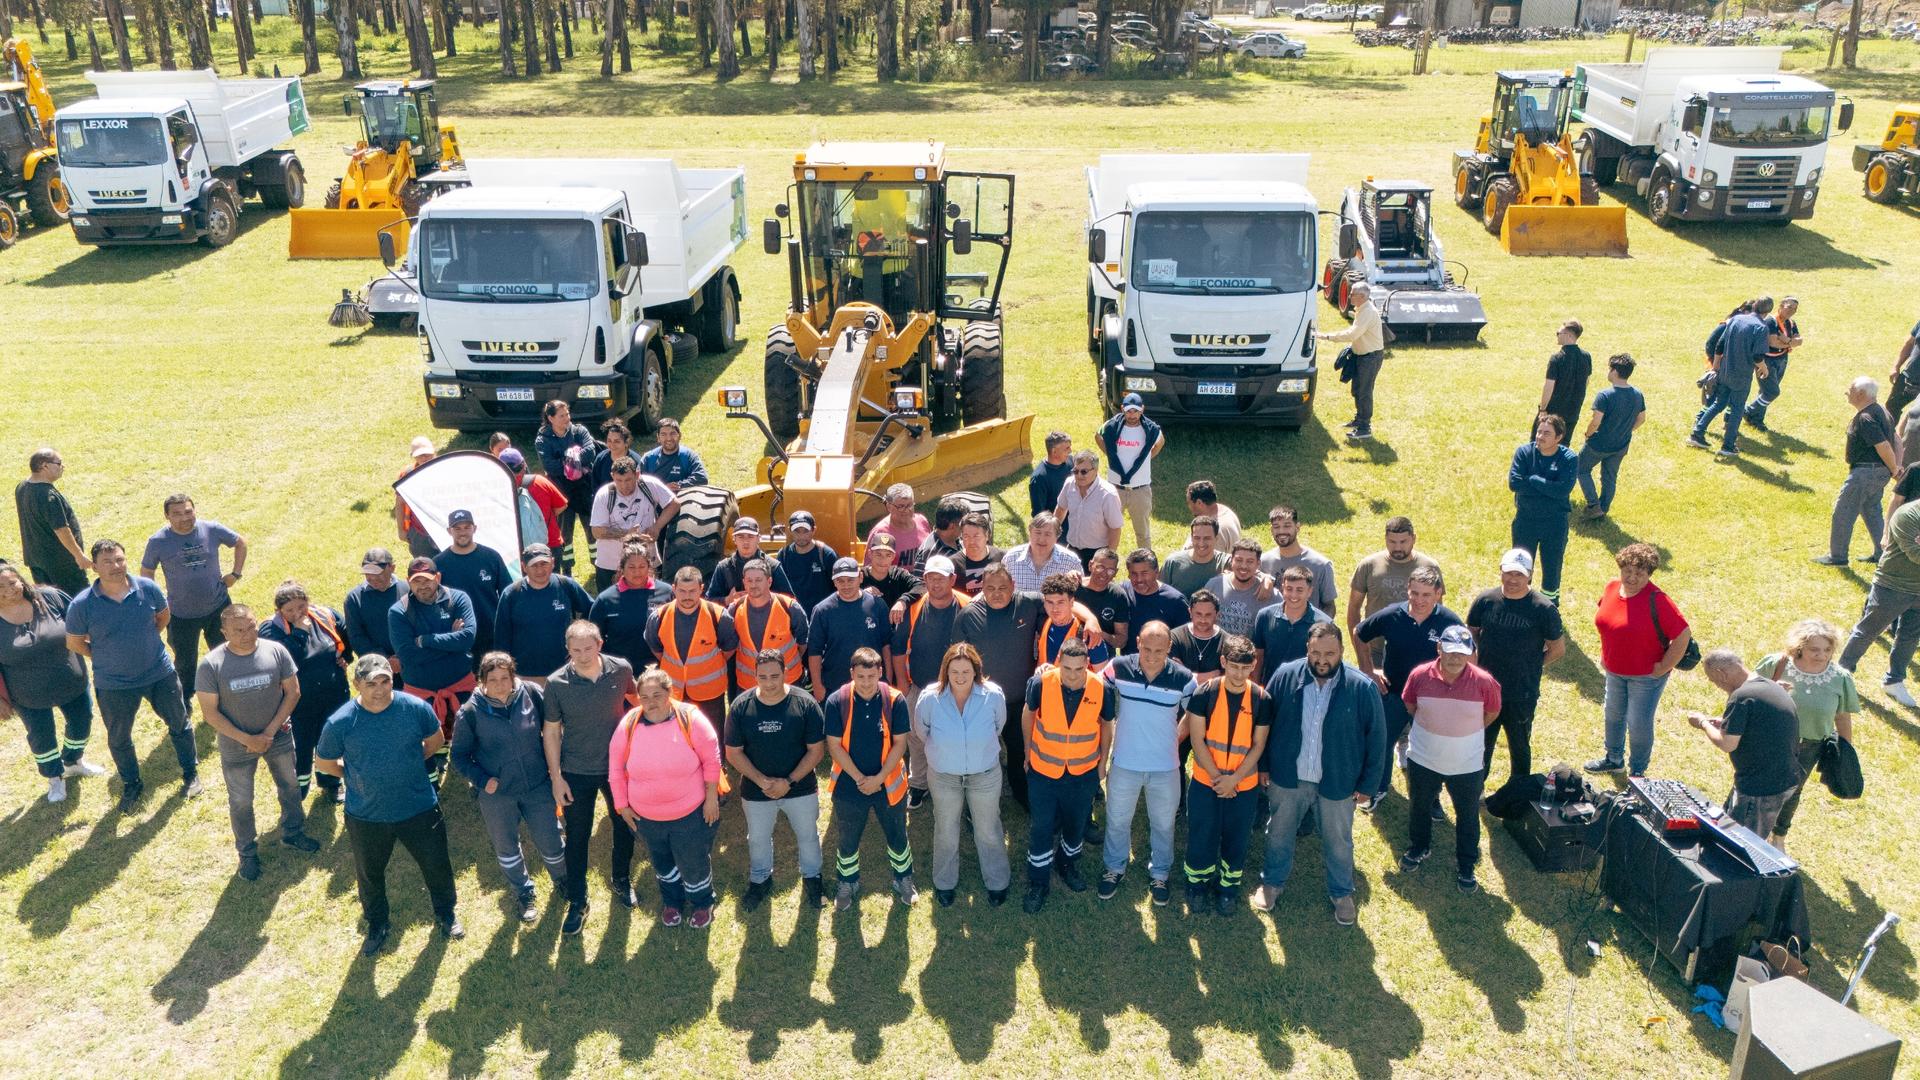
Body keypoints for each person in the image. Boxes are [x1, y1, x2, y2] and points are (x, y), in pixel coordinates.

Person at [315, 655, 461, 956]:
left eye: (385, 681)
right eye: (371, 684)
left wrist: (410, 762)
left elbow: (435, 740)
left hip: (419, 806)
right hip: (367, 815)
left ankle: (446, 913)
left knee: (436, 865)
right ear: (357, 684)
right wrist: (354, 775)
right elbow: (326, 763)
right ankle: (377, 924)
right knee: (369, 874)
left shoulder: (415, 708)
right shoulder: (340, 722)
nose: (380, 689)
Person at [1256, 623, 1386, 926]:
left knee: (1339, 841)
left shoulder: (1361, 687)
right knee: (1278, 832)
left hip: (1337, 780)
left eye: (1329, 653)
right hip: (1289, 777)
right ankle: (1272, 883)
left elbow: (1376, 740)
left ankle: (1342, 893)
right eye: (1315, 652)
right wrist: (1263, 766)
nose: (1322, 659)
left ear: (1341, 650)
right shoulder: (1285, 676)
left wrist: (1368, 785)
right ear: (1307, 649)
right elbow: (1264, 725)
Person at [65, 539, 199, 811]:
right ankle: (132, 783)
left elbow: (163, 617)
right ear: (95, 567)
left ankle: (190, 773)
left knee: (180, 723)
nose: (115, 566)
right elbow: (74, 643)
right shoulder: (82, 605)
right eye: (107, 562)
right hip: (114, 684)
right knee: (119, 738)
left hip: (158, 673)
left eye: (119, 560)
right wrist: (102, 654)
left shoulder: (147, 588)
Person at [196, 605, 318, 879]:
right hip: (236, 746)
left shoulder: (275, 651)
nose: (246, 634)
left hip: (278, 738)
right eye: (238, 630)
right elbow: (210, 713)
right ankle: (247, 854)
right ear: (224, 631)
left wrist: (269, 733)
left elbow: (293, 693)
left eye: (251, 626)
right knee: (241, 801)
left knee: (289, 787)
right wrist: (247, 739)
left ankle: (293, 833)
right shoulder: (211, 665)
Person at [452, 653, 565, 923]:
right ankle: (523, 892)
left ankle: (563, 880)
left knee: (551, 838)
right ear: (482, 681)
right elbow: (458, 756)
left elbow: (551, 729)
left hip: (537, 786)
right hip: (497, 794)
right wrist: (482, 780)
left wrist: (555, 769)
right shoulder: (470, 712)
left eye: (506, 677)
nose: (501, 685)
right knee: (506, 846)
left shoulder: (532, 693)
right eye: (493, 680)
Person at [541, 621, 638, 934]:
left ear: (600, 644)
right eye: (575, 649)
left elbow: (639, 703)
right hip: (576, 771)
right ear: (567, 649)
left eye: (588, 647)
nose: (582, 655)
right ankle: (578, 900)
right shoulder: (556, 683)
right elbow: (552, 731)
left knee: (625, 825)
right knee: (577, 836)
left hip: (617, 769)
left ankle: (621, 880)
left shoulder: (621, 670)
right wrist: (556, 777)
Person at [610, 666, 723, 929]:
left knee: (693, 861)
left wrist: (710, 798)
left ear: (669, 694)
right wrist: (621, 805)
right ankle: (672, 901)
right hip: (646, 817)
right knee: (661, 862)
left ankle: (702, 902)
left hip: (690, 813)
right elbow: (615, 769)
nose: (651, 703)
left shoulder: (690, 719)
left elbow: (712, 760)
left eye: (657, 695)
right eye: (645, 697)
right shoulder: (628, 725)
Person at [1398, 625, 1502, 893]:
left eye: (1462, 653)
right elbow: (1410, 705)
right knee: (1419, 807)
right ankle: (1419, 847)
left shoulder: (1484, 682)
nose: (1455, 658)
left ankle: (1466, 865)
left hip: (1466, 766)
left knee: (1467, 816)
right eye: (1450, 651)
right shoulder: (1419, 676)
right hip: (1423, 760)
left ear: (1470, 654)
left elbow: (1491, 712)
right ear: (1438, 649)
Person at [1099, 622, 1194, 907]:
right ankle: (1114, 868)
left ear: (1169, 649)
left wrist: (1177, 736)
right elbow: (1089, 681)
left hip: (1165, 767)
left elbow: (1197, 713)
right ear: (1138, 642)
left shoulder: (1184, 678)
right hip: (1125, 763)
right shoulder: (1119, 667)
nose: (1152, 656)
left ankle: (1161, 873)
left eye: (1159, 650)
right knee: (1117, 820)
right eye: (1146, 648)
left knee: (1163, 824)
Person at [726, 649, 828, 911]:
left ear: (786, 673)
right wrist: (762, 781)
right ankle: (760, 880)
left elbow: (816, 750)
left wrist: (789, 782)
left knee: (808, 836)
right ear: (754, 675)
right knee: (757, 838)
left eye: (775, 676)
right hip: (756, 790)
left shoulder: (805, 704)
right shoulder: (740, 706)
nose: (769, 683)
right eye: (763, 677)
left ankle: (812, 878)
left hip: (800, 788)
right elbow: (733, 753)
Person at [1354, 565, 1463, 808]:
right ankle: (1377, 789)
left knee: (1430, 750)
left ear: (1438, 593)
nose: (1419, 600)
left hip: (1431, 699)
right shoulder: (1393, 614)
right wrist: (1368, 670)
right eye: (1414, 593)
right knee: (1381, 742)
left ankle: (1431, 798)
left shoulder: (1449, 622)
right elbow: (1359, 633)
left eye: (1426, 595)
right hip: (1394, 693)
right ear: (1407, 590)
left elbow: (1468, 656)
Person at [1021, 639, 1114, 912]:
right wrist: (1027, 751)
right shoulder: (1040, 683)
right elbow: (1028, 715)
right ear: (1059, 661)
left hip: (1083, 772)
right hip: (1044, 770)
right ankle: (1038, 882)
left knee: (1075, 826)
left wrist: (1102, 761)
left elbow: (1107, 725)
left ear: (1087, 665)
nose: (1073, 676)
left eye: (1079, 669)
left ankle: (1067, 864)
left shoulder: (1101, 687)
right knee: (1041, 827)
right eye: (1068, 668)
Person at [1181, 635, 1271, 917]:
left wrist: (1233, 780)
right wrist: (1219, 778)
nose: (1239, 674)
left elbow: (1258, 746)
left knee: (1236, 838)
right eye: (1233, 666)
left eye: (1245, 668)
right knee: (1201, 834)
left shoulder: (1261, 699)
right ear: (1223, 662)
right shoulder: (1204, 693)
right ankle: (1196, 884)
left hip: (1243, 785)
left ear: (1253, 665)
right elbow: (1197, 740)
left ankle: (1228, 888)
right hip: (1207, 782)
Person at [916, 642, 1011, 907]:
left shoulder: (993, 696)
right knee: (945, 829)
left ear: (976, 671)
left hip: (984, 776)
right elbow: (922, 731)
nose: (959, 677)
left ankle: (997, 882)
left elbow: (997, 726)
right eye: (954, 671)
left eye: (965, 672)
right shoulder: (929, 698)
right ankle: (944, 883)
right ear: (945, 671)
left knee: (989, 829)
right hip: (944, 776)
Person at [1586, 543, 1691, 778]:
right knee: (1612, 714)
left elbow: (1683, 634)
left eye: (1639, 573)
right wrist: (1606, 656)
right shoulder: (1612, 588)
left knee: (1638, 723)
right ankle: (1613, 758)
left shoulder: (1659, 600)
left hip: (1646, 677)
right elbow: (1607, 622)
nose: (1631, 578)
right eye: (1627, 571)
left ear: (1649, 575)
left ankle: (1637, 771)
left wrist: (1665, 666)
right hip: (1615, 670)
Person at [1465, 549, 1565, 795]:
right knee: (1482, 744)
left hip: (1522, 693)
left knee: (1519, 746)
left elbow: (1558, 649)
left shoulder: (1543, 608)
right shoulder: (1486, 600)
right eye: (1508, 572)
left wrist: (1533, 664)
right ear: (1500, 570)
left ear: (1529, 576)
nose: (1512, 579)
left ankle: (1517, 795)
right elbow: (1472, 631)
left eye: (1519, 574)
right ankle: (1476, 791)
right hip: (1486, 691)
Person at [0, 564, 102, 802]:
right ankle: (54, 778)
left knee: (82, 720)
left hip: (71, 682)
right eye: (0, 587)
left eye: (12, 583)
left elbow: (80, 620)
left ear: (22, 581)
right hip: (28, 695)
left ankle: (73, 760)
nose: (8, 590)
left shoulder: (48, 597)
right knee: (41, 736)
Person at [824, 648, 915, 910]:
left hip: (888, 784)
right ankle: (847, 881)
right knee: (847, 838)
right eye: (861, 676)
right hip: (849, 785)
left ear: (881, 674)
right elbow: (834, 745)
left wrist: (879, 779)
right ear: (851, 673)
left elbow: (900, 744)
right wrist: (860, 778)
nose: (866, 683)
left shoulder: (895, 700)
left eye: (871, 677)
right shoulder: (836, 701)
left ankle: (903, 878)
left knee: (897, 834)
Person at [140, 493, 246, 718]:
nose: (184, 517)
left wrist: (235, 574)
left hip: (218, 608)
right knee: (185, 663)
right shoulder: (158, 541)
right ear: (167, 516)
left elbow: (239, 542)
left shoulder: (211, 529)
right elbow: (147, 571)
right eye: (177, 514)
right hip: (181, 615)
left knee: (225, 654)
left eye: (188, 511)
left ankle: (228, 698)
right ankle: (184, 702)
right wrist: (155, 602)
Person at [1753, 620, 1855, 851]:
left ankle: (1778, 836)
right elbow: (1746, 695)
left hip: (1811, 745)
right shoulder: (1776, 664)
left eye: (1827, 650)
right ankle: (1746, 828)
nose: (1821, 655)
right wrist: (1771, 690)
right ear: (1799, 647)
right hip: (1771, 738)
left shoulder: (1840, 678)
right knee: (1756, 781)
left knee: (1792, 791)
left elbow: (1842, 717)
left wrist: (1846, 750)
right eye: (1814, 649)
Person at [955, 564, 1047, 809]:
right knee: (982, 754)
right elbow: (957, 660)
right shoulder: (968, 615)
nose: (997, 593)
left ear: (1014, 587)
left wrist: (1090, 619)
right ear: (981, 588)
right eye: (990, 588)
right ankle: (978, 804)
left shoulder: (1029, 604)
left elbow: (1065, 602)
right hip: (982, 702)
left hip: (1019, 701)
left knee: (1019, 751)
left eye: (1003, 588)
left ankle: (1022, 795)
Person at [1687, 649, 1803, 839]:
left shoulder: (1741, 698)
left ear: (1721, 674)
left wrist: (1703, 723)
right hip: (1782, 777)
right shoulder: (1769, 685)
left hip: (1761, 788)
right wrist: (1726, 723)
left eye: (1713, 680)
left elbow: (1727, 744)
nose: (1715, 685)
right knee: (1727, 828)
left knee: (1743, 844)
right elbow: (1759, 723)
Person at [259, 581, 354, 804]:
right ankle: (298, 791)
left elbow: (347, 636)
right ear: (278, 610)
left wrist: (345, 658)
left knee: (330, 740)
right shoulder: (270, 629)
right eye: (289, 610)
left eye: (301, 606)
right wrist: (300, 633)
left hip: (334, 694)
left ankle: (331, 783)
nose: (297, 613)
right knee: (302, 746)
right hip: (298, 703)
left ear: (308, 603)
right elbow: (284, 661)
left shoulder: (325, 615)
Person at [388, 557, 477, 787]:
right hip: (421, 691)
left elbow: (467, 638)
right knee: (422, 739)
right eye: (416, 581)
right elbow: (408, 656)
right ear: (409, 582)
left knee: (473, 733)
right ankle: (430, 783)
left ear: (437, 578)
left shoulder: (458, 599)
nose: (422, 586)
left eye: (427, 580)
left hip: (461, 686)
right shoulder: (399, 612)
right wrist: (452, 644)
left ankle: (476, 778)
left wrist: (425, 640)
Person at [892, 555, 970, 809]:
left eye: (941, 578)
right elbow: (899, 649)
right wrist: (903, 684)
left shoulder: (968, 607)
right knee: (916, 737)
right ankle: (919, 784)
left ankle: (960, 782)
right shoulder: (913, 608)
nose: (935, 584)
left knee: (957, 737)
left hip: (959, 687)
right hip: (919, 685)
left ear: (952, 579)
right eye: (930, 578)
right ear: (924, 580)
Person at [1839, 499, 1920, 706]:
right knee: (1868, 631)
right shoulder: (1908, 515)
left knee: (1910, 637)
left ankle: (1894, 681)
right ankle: (1842, 674)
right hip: (1892, 586)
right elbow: (1915, 553)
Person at [1816, 377, 1898, 566]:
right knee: (1871, 510)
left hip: (1865, 472)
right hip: (1878, 472)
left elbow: (1884, 445)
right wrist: (1894, 467)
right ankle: (1883, 554)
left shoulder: (1865, 418)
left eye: (1851, 389)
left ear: (1861, 393)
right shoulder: (1882, 412)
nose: (1847, 391)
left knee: (1843, 511)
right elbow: (1897, 440)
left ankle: (1837, 556)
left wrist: (1895, 468)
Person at [646, 566, 739, 729]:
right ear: (673, 589)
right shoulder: (658, 617)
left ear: (701, 589)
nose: (687, 596)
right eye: (682, 591)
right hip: (673, 693)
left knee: (712, 736)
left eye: (692, 591)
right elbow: (656, 648)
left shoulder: (718, 616)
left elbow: (729, 648)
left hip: (710, 694)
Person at [494, 544, 594, 683]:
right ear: (524, 567)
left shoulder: (566, 585)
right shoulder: (511, 594)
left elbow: (593, 613)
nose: (540, 570)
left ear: (553, 562)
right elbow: (501, 638)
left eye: (544, 563)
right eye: (534, 565)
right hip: (525, 676)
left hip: (565, 673)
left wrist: (580, 645)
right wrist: (507, 673)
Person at [1347, 516, 1440, 663]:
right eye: (1392, 541)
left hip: (1417, 649)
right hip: (1375, 650)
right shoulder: (1368, 565)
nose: (1397, 547)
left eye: (1403, 542)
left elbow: (1437, 610)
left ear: (1414, 538)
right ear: (1385, 539)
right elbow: (1353, 608)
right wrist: (1360, 650)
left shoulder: (1429, 567)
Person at [1509, 413, 1579, 605]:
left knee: (1552, 568)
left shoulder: (1568, 458)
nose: (1540, 436)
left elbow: (1562, 490)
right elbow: (1515, 483)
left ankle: (1549, 608)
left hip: (1554, 523)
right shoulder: (1524, 453)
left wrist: (1532, 479)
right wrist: (1549, 487)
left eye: (1546, 433)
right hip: (1526, 520)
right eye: (1539, 432)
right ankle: (1520, 604)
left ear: (1559, 437)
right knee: (1521, 566)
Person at [1690, 296, 1773, 457]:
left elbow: (1720, 345)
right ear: (1767, 312)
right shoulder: (1761, 327)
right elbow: (1757, 356)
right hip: (1741, 375)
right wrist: (1764, 369)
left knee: (1718, 403)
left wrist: (1715, 367)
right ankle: (1728, 446)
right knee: (1737, 409)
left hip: (1725, 371)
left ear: (1754, 306)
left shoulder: (1736, 319)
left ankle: (1697, 433)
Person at [589, 458, 678, 592]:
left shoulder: (649, 485)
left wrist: (657, 527)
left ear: (637, 475)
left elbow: (674, 503)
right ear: (612, 476)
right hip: (611, 565)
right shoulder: (605, 495)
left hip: (647, 563)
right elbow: (596, 531)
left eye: (628, 480)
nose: (624, 486)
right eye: (619, 480)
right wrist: (626, 534)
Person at [807, 558, 890, 700]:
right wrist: (818, 686)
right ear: (834, 582)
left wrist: (888, 679)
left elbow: (886, 645)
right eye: (840, 581)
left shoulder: (877, 605)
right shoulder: (822, 610)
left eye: (850, 580)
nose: (846, 585)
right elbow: (814, 652)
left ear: (860, 578)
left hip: (872, 686)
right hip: (835, 687)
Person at [434, 509, 511, 663]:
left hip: (491, 632)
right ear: (449, 531)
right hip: (458, 635)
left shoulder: (491, 557)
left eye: (467, 527)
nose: (463, 532)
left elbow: (507, 594)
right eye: (457, 528)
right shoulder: (439, 563)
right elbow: (433, 602)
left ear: (474, 528)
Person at [1578, 354, 1647, 520]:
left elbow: (1596, 421)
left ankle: (1594, 505)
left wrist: (1588, 434)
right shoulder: (1637, 394)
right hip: (1621, 445)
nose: (1608, 372)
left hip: (1599, 444)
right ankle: (1604, 508)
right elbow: (1642, 418)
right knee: (1610, 477)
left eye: (1610, 369)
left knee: (1580, 468)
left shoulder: (1605, 395)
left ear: (1615, 371)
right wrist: (1626, 430)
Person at [727, 560, 810, 700]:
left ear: (769, 581)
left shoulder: (789, 607)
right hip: (749, 686)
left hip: (787, 683)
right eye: (749, 580)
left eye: (758, 580)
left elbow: (803, 642)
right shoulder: (734, 609)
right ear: (744, 582)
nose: (753, 585)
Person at [535, 400, 598, 577]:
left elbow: (590, 451)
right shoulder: (543, 440)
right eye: (562, 416)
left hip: (584, 488)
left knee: (592, 529)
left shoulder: (579, 431)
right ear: (551, 418)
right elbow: (550, 465)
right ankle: (567, 568)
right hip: (560, 491)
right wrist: (573, 459)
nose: (567, 418)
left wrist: (567, 461)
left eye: (567, 414)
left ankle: (598, 564)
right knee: (565, 533)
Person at [15, 448, 90, 596]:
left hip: (36, 559)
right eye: (59, 463)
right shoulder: (49, 496)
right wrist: (79, 556)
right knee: (78, 600)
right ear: (44, 466)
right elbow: (62, 530)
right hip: (61, 564)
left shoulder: (22, 487)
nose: (63, 467)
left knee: (51, 602)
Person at [1319, 280, 1386, 442]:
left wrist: (1326, 336)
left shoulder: (1367, 312)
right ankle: (1359, 419)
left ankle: (1364, 428)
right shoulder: (1362, 308)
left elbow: (1352, 334)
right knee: (1357, 389)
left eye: (1352, 294)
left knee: (1364, 392)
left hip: (1370, 358)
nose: (1349, 296)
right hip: (1362, 356)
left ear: (1362, 296)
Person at [1097, 393, 1164, 551]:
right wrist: (1111, 455)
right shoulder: (1111, 425)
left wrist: (1146, 458)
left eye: (1135, 411)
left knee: (1143, 533)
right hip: (1115, 488)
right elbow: (1098, 436)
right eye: (1128, 411)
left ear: (1142, 409)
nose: (1132, 415)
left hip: (1140, 490)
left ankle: (1147, 565)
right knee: (1108, 530)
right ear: (1122, 409)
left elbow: (1160, 442)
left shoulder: (1151, 429)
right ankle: (1106, 562)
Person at [589, 541, 671, 672]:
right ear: (622, 569)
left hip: (661, 670)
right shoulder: (605, 600)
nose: (637, 572)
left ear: (649, 567)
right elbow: (593, 638)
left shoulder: (667, 593)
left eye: (642, 566)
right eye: (631, 567)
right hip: (620, 672)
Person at [1252, 565, 1331, 681]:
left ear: (1310, 591)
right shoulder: (1265, 616)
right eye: (1289, 589)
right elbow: (1258, 656)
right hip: (1270, 689)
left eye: (1299, 590)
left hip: (1306, 692)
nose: (1293, 595)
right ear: (1282, 588)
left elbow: (1327, 664)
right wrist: (1255, 689)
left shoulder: (1324, 624)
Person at [1260, 505, 1339, 615]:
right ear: (1271, 530)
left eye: (1287, 526)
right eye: (1276, 527)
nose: (1281, 531)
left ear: (1297, 527)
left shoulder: (1321, 565)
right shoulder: (1263, 562)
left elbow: (1329, 606)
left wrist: (1318, 629)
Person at [343, 549, 404, 687]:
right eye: (368, 576)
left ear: (392, 568)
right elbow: (357, 637)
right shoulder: (354, 599)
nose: (373, 580)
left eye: (378, 575)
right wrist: (385, 660)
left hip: (410, 664)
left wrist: (403, 657)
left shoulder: (407, 590)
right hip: (377, 671)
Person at [1744, 297, 1803, 432]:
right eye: (1789, 307)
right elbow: (1772, 342)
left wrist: (1786, 340)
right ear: (1781, 306)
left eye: (1795, 309)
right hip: (1767, 361)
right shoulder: (1771, 321)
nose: (1792, 311)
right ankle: (1748, 411)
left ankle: (1756, 419)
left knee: (1765, 391)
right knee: (1772, 392)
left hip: (1782, 359)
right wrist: (1790, 342)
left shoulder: (1791, 323)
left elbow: (1799, 341)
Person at [1057, 449, 1124, 567]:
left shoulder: (1108, 494)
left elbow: (1115, 529)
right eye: (1075, 471)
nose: (1078, 475)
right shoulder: (1069, 484)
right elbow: (1061, 509)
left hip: (1096, 554)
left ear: (1096, 471)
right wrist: (1051, 535)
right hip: (1072, 549)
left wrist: (1109, 560)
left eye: (1084, 472)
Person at [502, 449, 569, 561]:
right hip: (550, 543)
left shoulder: (498, 492)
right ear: (523, 465)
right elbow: (562, 505)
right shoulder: (540, 482)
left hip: (516, 550)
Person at [706, 518, 796, 602]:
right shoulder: (723, 567)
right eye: (741, 537)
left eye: (750, 536)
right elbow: (709, 601)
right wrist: (727, 600)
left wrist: (766, 598)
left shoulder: (773, 566)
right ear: (734, 539)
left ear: (758, 539)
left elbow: (790, 601)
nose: (746, 541)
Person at [1038, 572, 1112, 670]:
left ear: (1072, 602)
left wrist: (1057, 674)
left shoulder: (1088, 635)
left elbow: (1103, 677)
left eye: (1060, 602)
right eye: (1050, 602)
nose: (1055, 609)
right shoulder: (1043, 622)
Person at [1202, 539, 1272, 640]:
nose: (1243, 566)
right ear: (1231, 560)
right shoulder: (1214, 585)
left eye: (1250, 561)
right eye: (1239, 560)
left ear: (1258, 564)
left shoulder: (1269, 593)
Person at [1537, 319, 1592, 447]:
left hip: (1554, 411)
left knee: (1542, 444)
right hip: (1573, 410)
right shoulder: (1586, 356)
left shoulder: (1557, 358)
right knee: (1563, 446)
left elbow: (1549, 386)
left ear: (1568, 335)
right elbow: (1586, 382)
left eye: (1558, 333)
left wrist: (1543, 409)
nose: (1556, 335)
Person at [775, 511, 840, 615]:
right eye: (797, 531)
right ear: (790, 531)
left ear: (814, 530)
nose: (801, 535)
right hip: (794, 617)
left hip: (822, 616)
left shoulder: (826, 555)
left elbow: (840, 586)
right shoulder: (783, 556)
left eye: (806, 531)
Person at [1124, 548, 1191, 649]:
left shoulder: (1175, 601)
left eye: (1144, 573)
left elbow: (1186, 639)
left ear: (1156, 572)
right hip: (1130, 662)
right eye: (1134, 573)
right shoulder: (1122, 592)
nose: (1139, 579)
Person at [1004, 511, 1085, 593]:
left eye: (1048, 534)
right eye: (1038, 533)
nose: (1042, 539)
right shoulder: (1011, 558)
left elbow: (1080, 593)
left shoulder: (1070, 561)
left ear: (1057, 536)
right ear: (1030, 532)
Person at [1076, 549, 1134, 651]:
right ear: (1090, 565)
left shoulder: (1118, 595)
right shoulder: (1075, 587)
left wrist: (1099, 634)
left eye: (1110, 570)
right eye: (1100, 567)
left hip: (1103, 653)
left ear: (1116, 573)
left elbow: (1121, 640)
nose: (1104, 574)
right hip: (1072, 649)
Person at [868, 483, 932, 573]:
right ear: (889, 507)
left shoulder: (922, 521)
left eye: (909, 505)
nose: (906, 510)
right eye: (901, 506)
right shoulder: (880, 532)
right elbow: (869, 569)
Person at [395, 436, 438, 559]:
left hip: (445, 529)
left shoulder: (444, 470)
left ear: (434, 453)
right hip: (419, 532)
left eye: (427, 454)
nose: (424, 458)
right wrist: (401, 530)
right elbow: (399, 504)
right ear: (413, 456)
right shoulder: (407, 475)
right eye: (420, 455)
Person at [1164, 516, 1228, 598]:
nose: (1201, 543)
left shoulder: (1226, 562)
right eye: (1197, 538)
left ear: (1216, 538)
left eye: (1207, 538)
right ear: (1191, 538)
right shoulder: (1173, 563)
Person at [640, 417, 709, 492]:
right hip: (655, 500)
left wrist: (679, 485)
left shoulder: (688, 456)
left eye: (672, 433)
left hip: (683, 498)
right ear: (658, 437)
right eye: (663, 434)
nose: (669, 438)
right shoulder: (648, 458)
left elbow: (701, 478)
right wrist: (663, 489)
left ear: (679, 435)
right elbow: (639, 483)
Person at [1170, 590, 1225, 682]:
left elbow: (1226, 679)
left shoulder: (1227, 642)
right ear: (1190, 612)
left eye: (1208, 615)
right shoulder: (1174, 637)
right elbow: (1174, 675)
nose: (1203, 620)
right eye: (1198, 614)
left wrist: (1185, 673)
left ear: (1217, 615)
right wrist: (1213, 675)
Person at [860, 533, 924, 610]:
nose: (883, 560)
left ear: (893, 556)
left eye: (888, 555)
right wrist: (861, 594)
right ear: (870, 554)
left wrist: (903, 601)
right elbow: (843, 590)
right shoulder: (860, 576)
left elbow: (922, 586)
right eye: (878, 554)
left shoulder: (898, 574)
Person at [952, 512, 1005, 596]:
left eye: (976, 536)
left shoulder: (1002, 558)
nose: (971, 541)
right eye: (966, 536)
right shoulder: (953, 564)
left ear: (987, 535)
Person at [911, 499, 966, 577]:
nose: (965, 527)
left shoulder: (959, 538)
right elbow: (919, 584)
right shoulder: (929, 552)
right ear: (952, 526)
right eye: (963, 523)